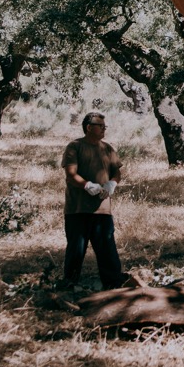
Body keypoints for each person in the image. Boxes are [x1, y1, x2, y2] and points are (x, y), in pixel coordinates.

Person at [59, 111, 123, 289]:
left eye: (105, 126)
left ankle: (114, 286)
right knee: (76, 250)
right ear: (89, 127)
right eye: (100, 126)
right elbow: (71, 175)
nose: (104, 129)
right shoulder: (75, 146)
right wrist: (88, 185)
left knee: (107, 250)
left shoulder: (108, 149)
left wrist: (112, 183)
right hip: (77, 209)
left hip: (102, 209)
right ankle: (70, 285)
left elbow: (117, 172)